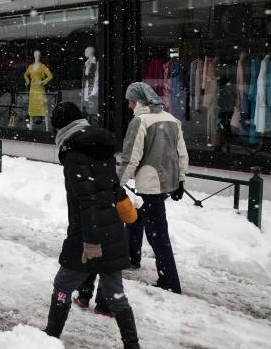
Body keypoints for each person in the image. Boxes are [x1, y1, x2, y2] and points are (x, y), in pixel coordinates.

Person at [43, 102, 139, 349]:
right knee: (115, 294)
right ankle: (132, 345)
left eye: (55, 128)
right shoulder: (100, 148)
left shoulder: (75, 155)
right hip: (112, 230)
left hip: (87, 234)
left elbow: (86, 201)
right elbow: (110, 187)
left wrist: (91, 242)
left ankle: (49, 339)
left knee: (62, 286)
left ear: (62, 127)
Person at [119, 81, 188, 294]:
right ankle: (131, 257)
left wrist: (116, 183)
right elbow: (182, 154)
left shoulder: (140, 121)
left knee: (157, 232)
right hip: (167, 181)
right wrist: (181, 180)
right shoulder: (171, 119)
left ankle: (170, 281)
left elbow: (131, 157)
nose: (129, 106)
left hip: (150, 183)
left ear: (138, 101)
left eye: (130, 102)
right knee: (136, 215)